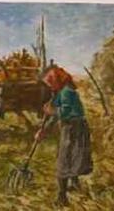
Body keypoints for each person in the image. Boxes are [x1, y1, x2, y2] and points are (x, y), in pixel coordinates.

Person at [36, 65, 93, 206]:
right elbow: (54, 116)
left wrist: (52, 110)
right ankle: (74, 184)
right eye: (47, 83)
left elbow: (64, 112)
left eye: (50, 82)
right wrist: (43, 130)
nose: (49, 85)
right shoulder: (59, 92)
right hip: (71, 127)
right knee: (72, 156)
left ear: (57, 79)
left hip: (75, 127)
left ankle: (62, 198)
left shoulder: (67, 92)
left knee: (65, 159)